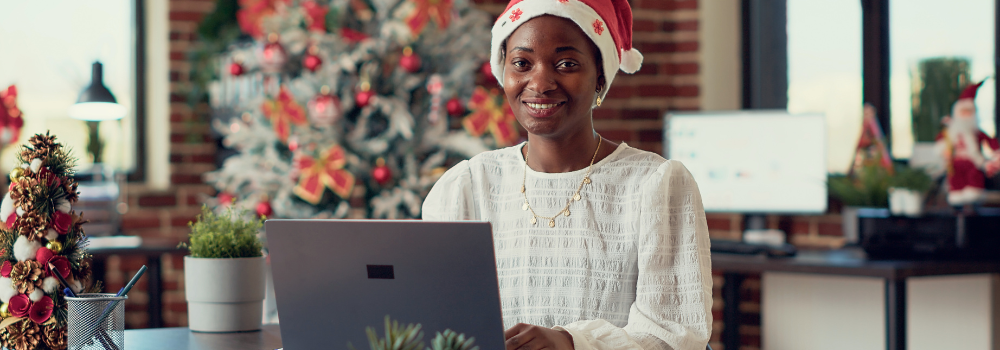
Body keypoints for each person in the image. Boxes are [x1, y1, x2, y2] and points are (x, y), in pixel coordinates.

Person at [422, 0, 712, 349]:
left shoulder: (656, 186)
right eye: (521, 63)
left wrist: (571, 343)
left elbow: (674, 336)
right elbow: (439, 323)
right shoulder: (467, 187)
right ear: (503, 73)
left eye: (566, 64)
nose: (540, 82)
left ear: (601, 77)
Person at [935, 80, 1000, 206]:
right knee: (955, 182)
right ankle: (957, 197)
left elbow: (992, 143)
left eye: (969, 112)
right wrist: (944, 151)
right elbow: (941, 143)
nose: (966, 115)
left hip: (973, 163)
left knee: (974, 179)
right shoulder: (950, 132)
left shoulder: (976, 132)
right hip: (955, 164)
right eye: (963, 112)